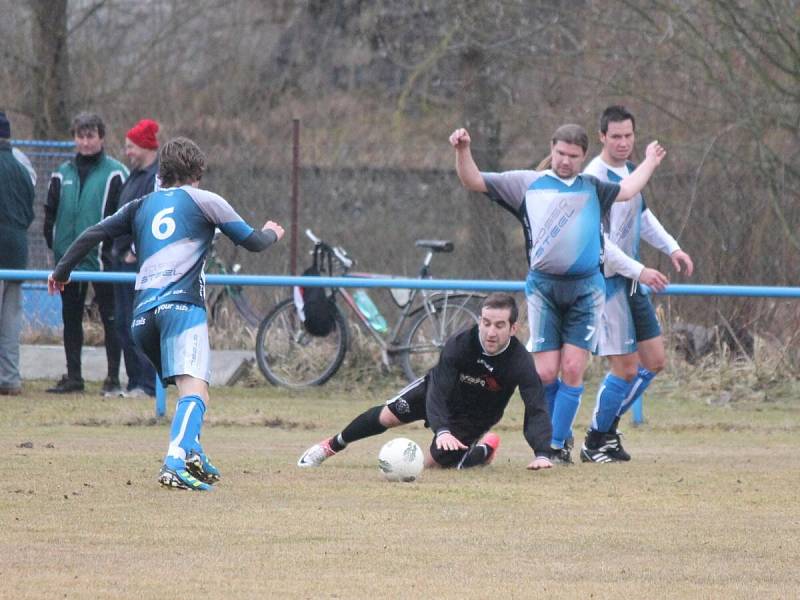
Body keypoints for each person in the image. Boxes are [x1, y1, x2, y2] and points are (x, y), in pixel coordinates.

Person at [48, 136, 284, 491]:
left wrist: (62, 271)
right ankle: (175, 461)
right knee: (193, 390)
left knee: (197, 393)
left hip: (142, 318)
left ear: (162, 171)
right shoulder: (205, 201)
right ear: (198, 173)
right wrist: (272, 232)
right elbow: (254, 242)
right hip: (181, 309)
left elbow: (92, 233)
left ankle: (192, 453)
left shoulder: (141, 205)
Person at [449, 123, 666, 463]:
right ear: (551, 149)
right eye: (560, 153)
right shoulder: (527, 184)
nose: (565, 161)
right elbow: (472, 180)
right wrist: (462, 150)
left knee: (573, 366)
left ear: (583, 157)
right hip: (544, 288)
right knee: (546, 372)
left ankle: (554, 446)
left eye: (573, 156)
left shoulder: (593, 187)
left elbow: (627, 189)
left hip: (586, 289)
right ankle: (550, 435)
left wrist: (650, 162)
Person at [298, 293, 554, 471]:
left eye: (499, 325)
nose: (490, 332)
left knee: (434, 466)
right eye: (486, 323)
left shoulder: (520, 362)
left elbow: (536, 407)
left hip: (474, 417)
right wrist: (442, 429)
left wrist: (541, 453)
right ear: (479, 321)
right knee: (387, 415)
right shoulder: (460, 344)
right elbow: (439, 389)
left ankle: (484, 450)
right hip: (440, 394)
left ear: (513, 328)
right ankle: (329, 446)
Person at [580, 105, 694, 463]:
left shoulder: (632, 172)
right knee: (626, 368)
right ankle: (595, 439)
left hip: (631, 282)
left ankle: (606, 431)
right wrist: (640, 269)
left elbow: (642, 216)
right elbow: (598, 243)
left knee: (654, 361)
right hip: (608, 283)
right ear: (602, 137)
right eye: (615, 136)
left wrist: (672, 247)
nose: (623, 142)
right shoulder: (593, 177)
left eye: (628, 135)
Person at [43, 112, 127, 395]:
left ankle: (113, 379)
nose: (85, 141)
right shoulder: (61, 173)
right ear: (74, 138)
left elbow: (125, 216)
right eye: (80, 135)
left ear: (101, 138)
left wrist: (115, 251)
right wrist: (56, 247)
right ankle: (74, 376)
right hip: (68, 261)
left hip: (103, 262)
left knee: (110, 318)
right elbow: (49, 214)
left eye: (90, 135)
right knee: (71, 319)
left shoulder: (116, 173)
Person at [107, 119, 161, 398]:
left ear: (144, 146)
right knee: (123, 323)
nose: (127, 152)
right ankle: (134, 382)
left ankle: (148, 385)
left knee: (140, 323)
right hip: (121, 262)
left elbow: (153, 219)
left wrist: (136, 253)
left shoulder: (155, 179)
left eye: (131, 147)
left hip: (137, 265)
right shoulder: (135, 176)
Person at [0, 111, 36, 396]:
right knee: (10, 319)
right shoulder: (23, 165)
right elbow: (28, 211)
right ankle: (10, 378)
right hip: (17, 251)